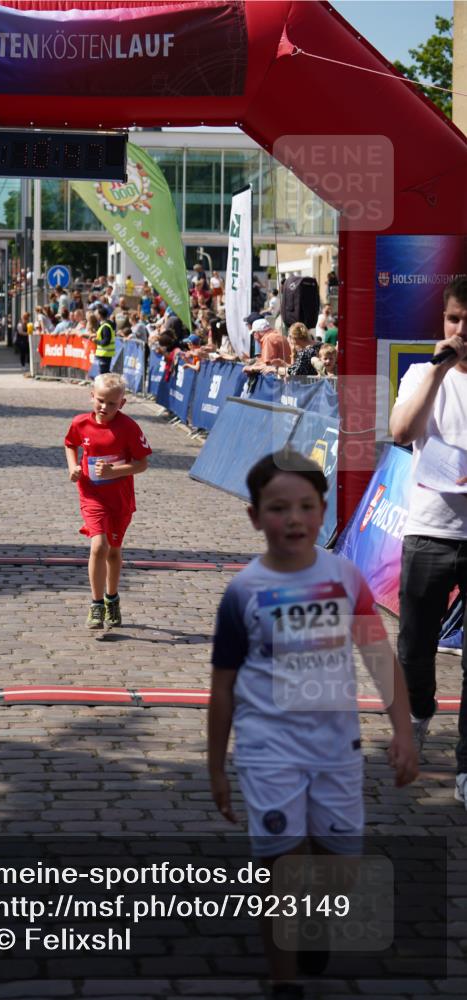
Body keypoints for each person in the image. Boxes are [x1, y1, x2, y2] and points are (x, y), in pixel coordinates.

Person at [208, 449, 418, 997]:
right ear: (255, 516)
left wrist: (403, 732)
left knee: (339, 867)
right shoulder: (243, 591)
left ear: (324, 511)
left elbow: (380, 658)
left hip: (336, 751)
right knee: (280, 866)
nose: (293, 519)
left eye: (306, 506)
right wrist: (216, 767)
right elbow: (223, 685)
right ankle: (283, 982)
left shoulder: (346, 577)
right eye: (278, 508)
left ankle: (316, 921)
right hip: (267, 751)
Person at [389, 276, 467, 807]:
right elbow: (401, 432)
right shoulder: (422, 373)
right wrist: (439, 370)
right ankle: (419, 709)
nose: (461, 331)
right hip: (429, 531)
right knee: (415, 647)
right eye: (453, 319)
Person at [64, 373, 152, 631]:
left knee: (113, 550)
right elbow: (70, 444)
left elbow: (142, 464)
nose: (104, 407)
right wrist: (73, 467)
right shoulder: (80, 423)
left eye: (112, 403)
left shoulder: (129, 427)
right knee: (99, 546)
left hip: (119, 498)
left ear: (122, 403)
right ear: (92, 396)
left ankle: (111, 598)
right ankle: (96, 603)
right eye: (100, 400)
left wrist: (115, 471)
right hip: (91, 494)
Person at [91, 305, 116, 374]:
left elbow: (106, 341)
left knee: (104, 373)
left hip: (105, 354)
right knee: (104, 373)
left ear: (100, 315)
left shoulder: (106, 326)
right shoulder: (104, 325)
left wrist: (96, 341)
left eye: (96, 314)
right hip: (104, 354)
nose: (95, 315)